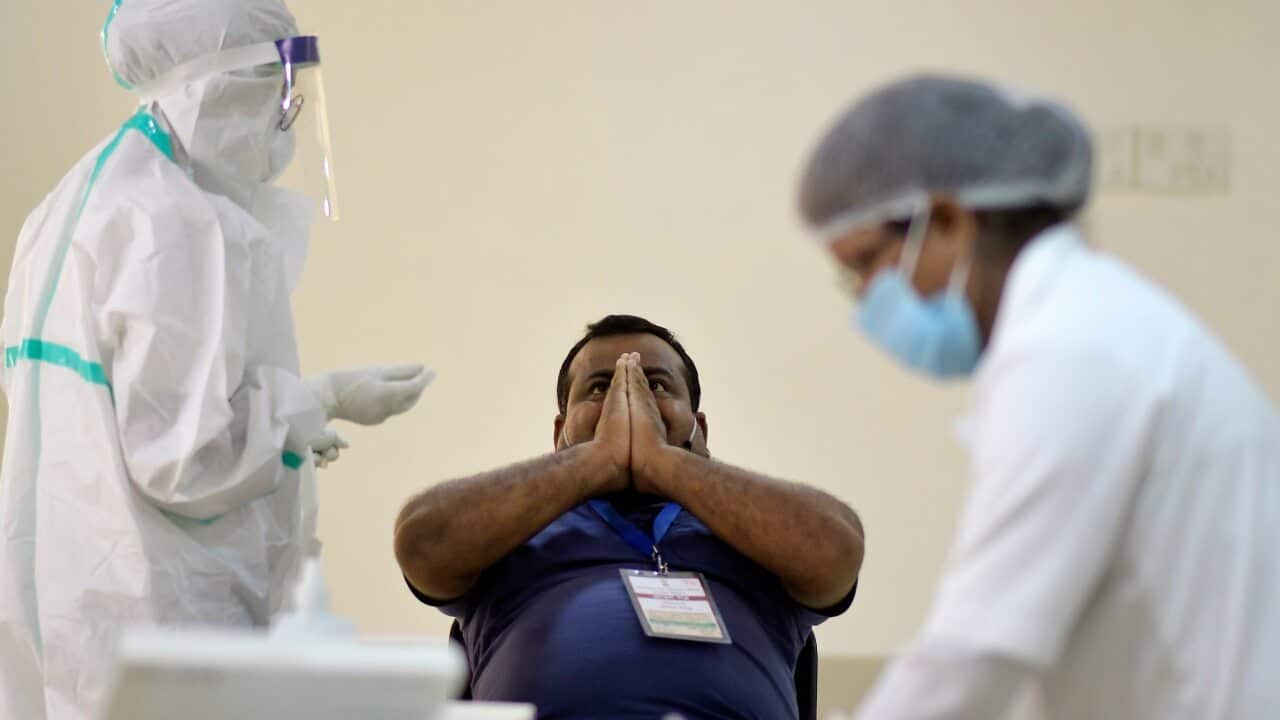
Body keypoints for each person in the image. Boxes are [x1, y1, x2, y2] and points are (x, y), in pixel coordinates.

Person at [797, 74, 1280, 719]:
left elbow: (978, 652)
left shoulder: (1071, 351)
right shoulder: (1091, 323)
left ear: (944, 220)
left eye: (862, 264)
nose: (862, 301)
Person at [0, 2, 432, 719]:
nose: (285, 115)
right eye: (275, 85)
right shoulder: (171, 220)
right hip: (156, 617)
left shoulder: (77, 201)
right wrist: (315, 400)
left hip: (71, 612)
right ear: (220, 85)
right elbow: (183, 458)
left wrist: (288, 428)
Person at [394, 314, 864, 719]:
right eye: (600, 389)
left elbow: (837, 547)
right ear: (560, 433)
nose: (628, 402)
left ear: (699, 428)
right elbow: (422, 542)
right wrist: (600, 458)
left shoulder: (756, 531)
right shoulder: (510, 528)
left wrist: (662, 460)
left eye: (656, 385)